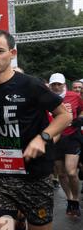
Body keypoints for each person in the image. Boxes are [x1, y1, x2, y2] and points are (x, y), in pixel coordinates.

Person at [0, 30, 71, 230]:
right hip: (1, 182)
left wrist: (42, 138)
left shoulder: (31, 85)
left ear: (12, 53)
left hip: (35, 179)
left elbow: (64, 116)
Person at [49, 73, 83, 216]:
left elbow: (81, 110)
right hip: (55, 138)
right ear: (50, 85)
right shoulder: (46, 98)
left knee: (71, 172)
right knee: (61, 174)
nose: (56, 87)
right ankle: (69, 199)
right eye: (54, 84)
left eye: (59, 84)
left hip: (71, 136)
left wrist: (80, 119)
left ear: (64, 84)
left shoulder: (74, 96)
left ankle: (75, 199)